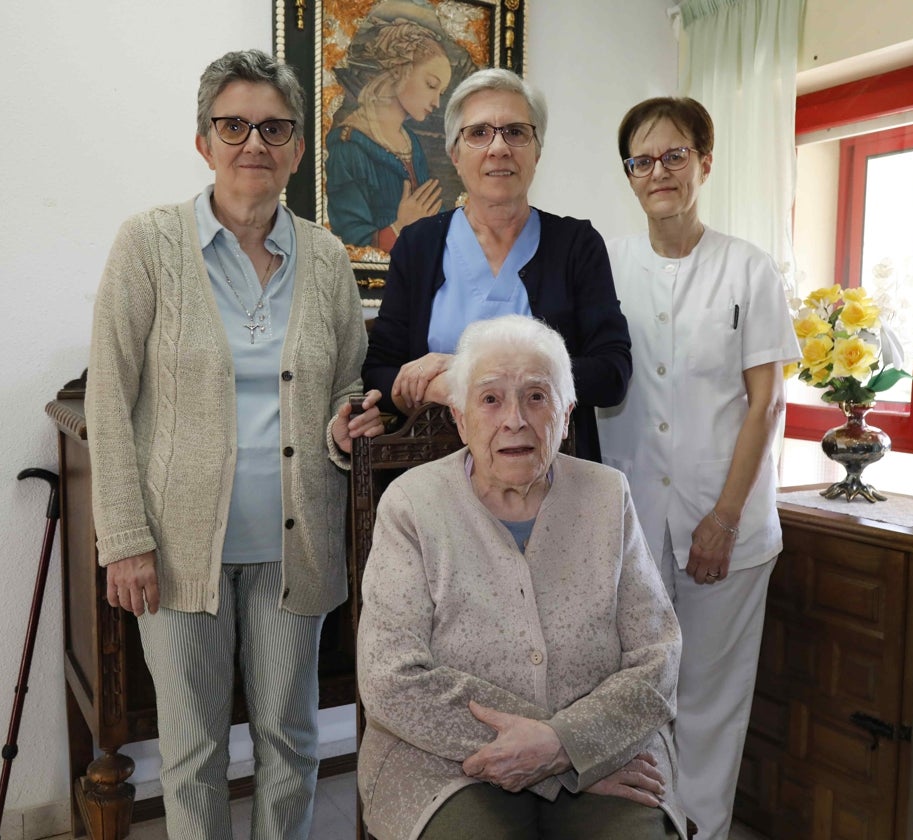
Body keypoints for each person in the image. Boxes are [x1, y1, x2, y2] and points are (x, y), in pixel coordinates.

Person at [85, 49, 383, 840]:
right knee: (190, 750)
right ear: (203, 140)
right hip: (177, 548)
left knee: (291, 741)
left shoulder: (324, 258)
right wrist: (123, 540)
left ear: (294, 147)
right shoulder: (148, 245)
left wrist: (351, 417)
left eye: (274, 127)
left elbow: (347, 381)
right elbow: (109, 400)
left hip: (297, 542)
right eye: (234, 124)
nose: (254, 141)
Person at [356, 315, 690, 840]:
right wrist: (561, 756)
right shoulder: (412, 504)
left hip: (601, 752)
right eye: (490, 399)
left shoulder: (608, 495)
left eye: (537, 396)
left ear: (567, 414)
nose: (515, 419)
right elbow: (390, 678)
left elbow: (657, 655)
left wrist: (564, 744)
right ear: (460, 418)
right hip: (445, 763)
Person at [596, 97, 801, 840]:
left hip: (729, 526)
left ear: (704, 163)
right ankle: (649, 829)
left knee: (712, 700)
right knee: (637, 693)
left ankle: (700, 833)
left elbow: (766, 404)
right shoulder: (607, 264)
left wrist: (722, 517)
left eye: (675, 156)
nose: (659, 172)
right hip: (628, 522)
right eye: (642, 161)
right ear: (628, 174)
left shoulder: (748, 268)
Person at [361, 68, 631, 462]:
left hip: (553, 480)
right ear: (454, 154)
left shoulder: (576, 245)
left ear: (537, 151)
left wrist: (461, 373)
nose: (499, 148)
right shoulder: (418, 245)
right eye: (479, 133)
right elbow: (380, 371)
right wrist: (438, 387)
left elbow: (612, 374)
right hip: (435, 481)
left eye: (516, 132)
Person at [326, 9, 453, 250]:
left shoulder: (410, 142)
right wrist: (399, 228)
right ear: (398, 70)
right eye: (431, 85)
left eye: (441, 93)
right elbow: (346, 241)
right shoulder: (348, 145)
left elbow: (430, 213)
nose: (436, 102)